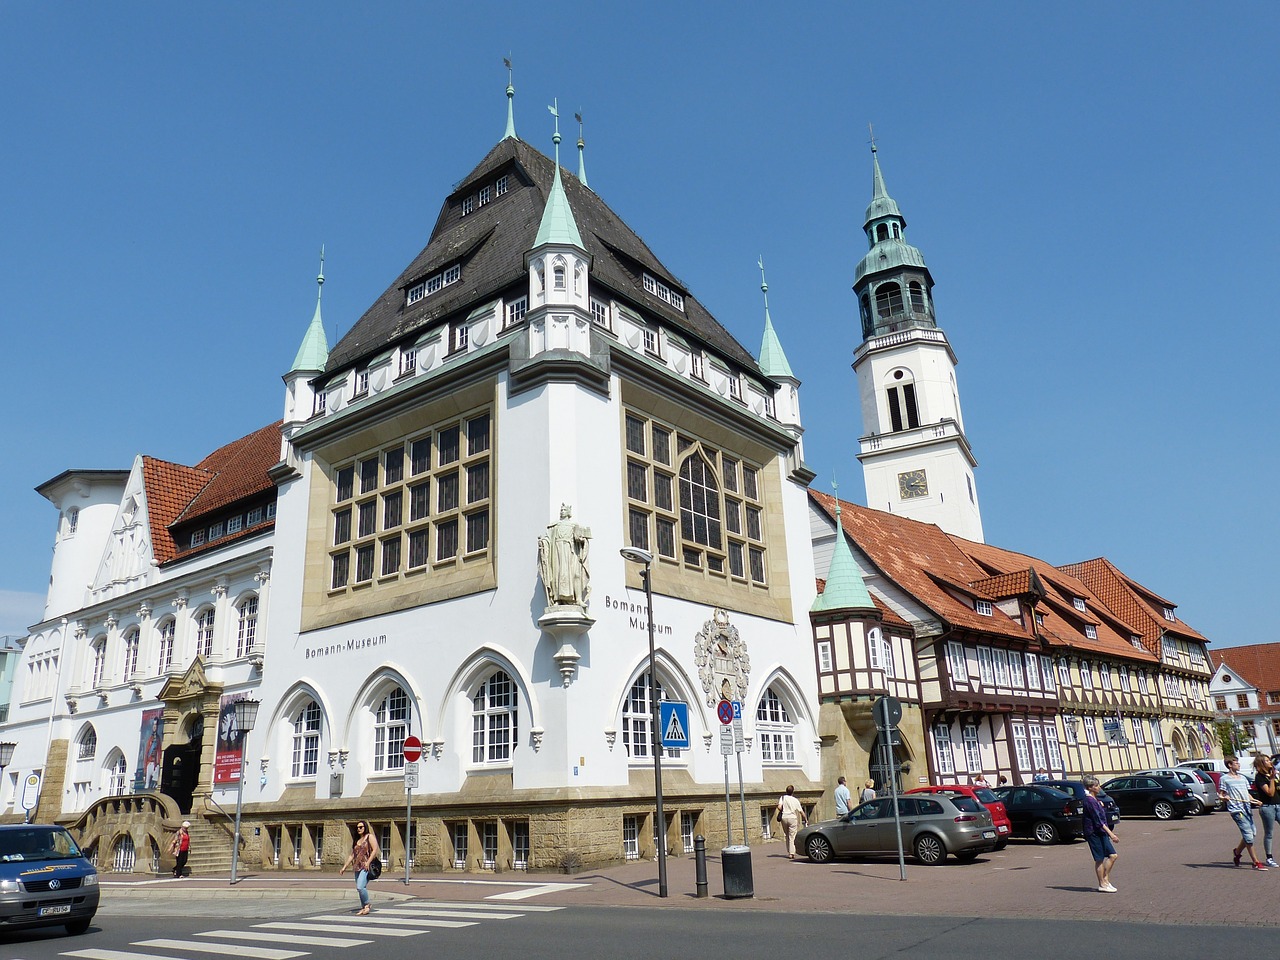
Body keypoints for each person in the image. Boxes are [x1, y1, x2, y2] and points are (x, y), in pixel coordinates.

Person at [537, 504, 592, 608]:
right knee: (558, 574)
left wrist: (581, 540)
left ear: (568, 512)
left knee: (575, 574)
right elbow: (548, 539)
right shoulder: (555, 526)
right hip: (558, 552)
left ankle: (578, 599)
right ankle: (558, 599)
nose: (561, 512)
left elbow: (583, 540)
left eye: (564, 510)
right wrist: (543, 542)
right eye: (561, 510)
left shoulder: (575, 526)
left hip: (572, 553)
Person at [1221, 756, 1266, 870]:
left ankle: (1237, 852)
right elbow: (1221, 794)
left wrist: (1255, 801)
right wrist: (1224, 797)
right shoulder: (1224, 778)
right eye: (1236, 763)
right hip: (1236, 810)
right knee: (1248, 836)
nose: (1238, 765)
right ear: (1230, 765)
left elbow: (1247, 794)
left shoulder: (1242, 778)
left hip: (1246, 808)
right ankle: (1256, 862)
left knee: (1252, 834)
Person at [1082, 774, 1119, 893]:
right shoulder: (1089, 801)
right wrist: (1111, 834)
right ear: (1090, 788)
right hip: (1094, 832)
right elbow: (1098, 821)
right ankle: (1102, 884)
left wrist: (1101, 805)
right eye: (1096, 786)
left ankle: (1105, 879)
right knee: (1099, 859)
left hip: (1101, 832)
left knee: (1113, 855)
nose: (1098, 787)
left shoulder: (1095, 800)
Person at [340, 819, 382, 914]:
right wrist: (344, 867)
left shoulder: (369, 837)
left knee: (360, 887)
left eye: (361, 827)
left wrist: (368, 862)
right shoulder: (357, 840)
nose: (359, 829)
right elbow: (352, 855)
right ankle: (364, 907)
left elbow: (375, 850)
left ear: (365, 827)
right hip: (357, 867)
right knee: (360, 888)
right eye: (357, 827)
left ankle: (367, 904)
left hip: (366, 866)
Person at [1252, 754, 1280, 868]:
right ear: (1261, 764)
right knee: (1269, 833)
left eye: (1269, 760)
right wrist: (1272, 779)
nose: (1270, 762)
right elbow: (1270, 792)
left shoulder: (1274, 774)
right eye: (1267, 761)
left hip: (1278, 805)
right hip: (1268, 807)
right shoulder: (1260, 777)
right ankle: (1269, 857)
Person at [776, 785, 808, 859]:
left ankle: (789, 851)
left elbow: (779, 807)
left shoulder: (783, 798)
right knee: (792, 835)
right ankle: (792, 853)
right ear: (793, 792)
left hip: (784, 817)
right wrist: (805, 819)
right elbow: (801, 811)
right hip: (792, 818)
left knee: (787, 835)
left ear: (786, 791)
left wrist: (782, 809)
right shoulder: (795, 800)